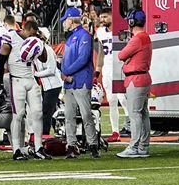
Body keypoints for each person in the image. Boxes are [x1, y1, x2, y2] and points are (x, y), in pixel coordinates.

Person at [2, 19, 47, 160]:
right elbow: (1, 59)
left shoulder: (35, 40)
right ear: (26, 30)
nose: (31, 38)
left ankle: (39, 147)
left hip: (30, 78)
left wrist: (41, 43)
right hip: (16, 80)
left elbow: (44, 59)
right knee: (18, 115)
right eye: (31, 35)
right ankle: (16, 149)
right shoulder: (11, 37)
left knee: (38, 113)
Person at [60, 8, 99, 158]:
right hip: (71, 81)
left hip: (80, 80)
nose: (64, 22)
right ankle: (72, 145)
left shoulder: (84, 36)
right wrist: (65, 73)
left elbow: (83, 59)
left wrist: (66, 72)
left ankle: (93, 144)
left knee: (86, 114)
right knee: (69, 115)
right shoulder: (73, 37)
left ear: (71, 20)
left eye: (66, 20)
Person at [117, 9, 153, 159]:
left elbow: (121, 55)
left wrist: (128, 61)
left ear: (131, 22)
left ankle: (134, 146)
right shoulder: (146, 37)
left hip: (135, 79)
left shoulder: (136, 39)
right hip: (143, 78)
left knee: (135, 114)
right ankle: (143, 145)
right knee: (143, 113)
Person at [95, 12, 124, 140]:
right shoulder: (100, 31)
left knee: (123, 99)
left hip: (120, 67)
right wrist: (97, 70)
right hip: (107, 68)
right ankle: (115, 132)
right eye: (101, 17)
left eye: (105, 16)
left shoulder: (121, 30)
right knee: (112, 101)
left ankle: (133, 128)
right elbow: (101, 52)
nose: (102, 19)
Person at [34, 27, 63, 136]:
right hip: (47, 85)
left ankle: (45, 134)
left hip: (53, 85)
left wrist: (36, 74)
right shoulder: (38, 50)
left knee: (47, 111)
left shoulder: (48, 50)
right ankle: (57, 131)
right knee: (51, 110)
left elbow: (51, 70)